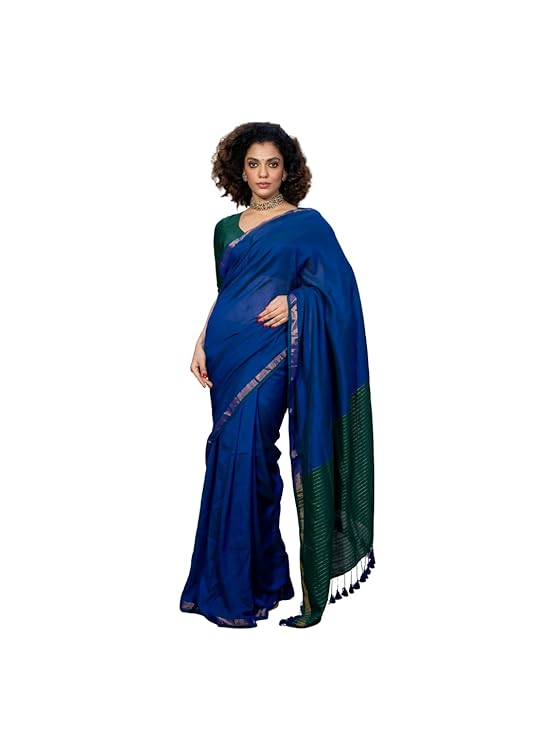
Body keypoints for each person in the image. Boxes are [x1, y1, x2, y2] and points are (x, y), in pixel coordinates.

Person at [179, 122, 375, 628]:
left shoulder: (308, 225)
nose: (263, 173)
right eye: (253, 164)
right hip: (226, 353)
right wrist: (201, 339)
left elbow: (339, 292)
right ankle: (255, 582)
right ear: (239, 171)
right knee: (230, 455)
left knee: (251, 453)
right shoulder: (225, 229)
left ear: (287, 170)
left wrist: (296, 303)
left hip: (273, 354)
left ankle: (244, 588)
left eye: (272, 163)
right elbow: (227, 292)